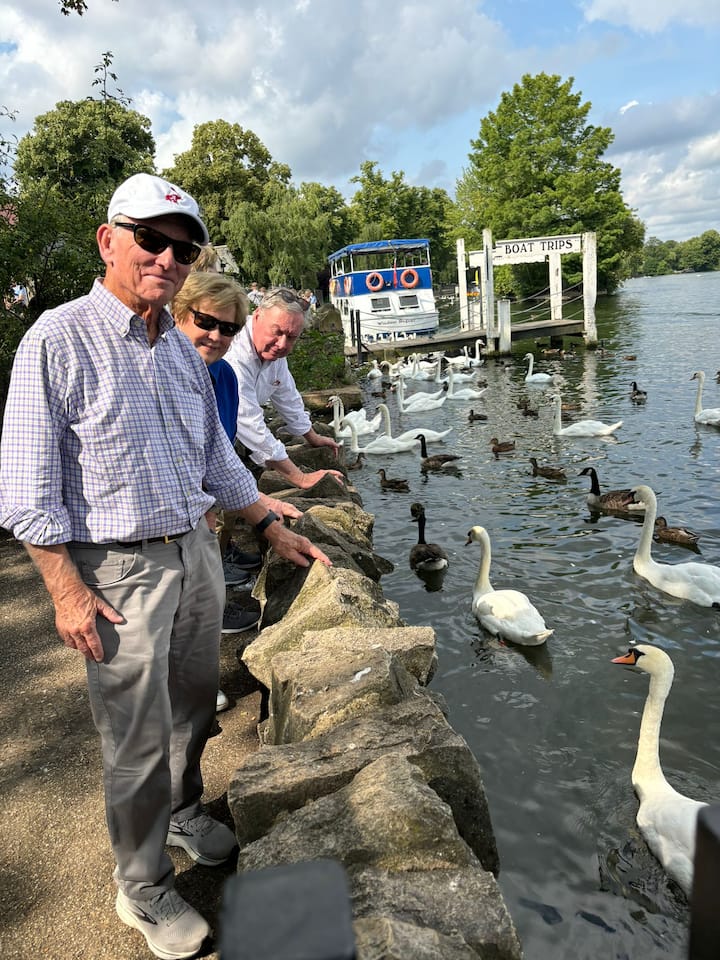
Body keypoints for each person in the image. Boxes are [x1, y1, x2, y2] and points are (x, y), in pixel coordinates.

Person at [0, 172, 330, 960]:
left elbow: (216, 454)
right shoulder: (58, 337)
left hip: (194, 551)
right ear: (109, 239)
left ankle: (182, 814)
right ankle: (141, 885)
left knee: (192, 707)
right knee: (135, 738)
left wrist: (265, 521)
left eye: (183, 247)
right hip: (115, 574)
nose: (168, 257)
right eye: (152, 238)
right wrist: (65, 590)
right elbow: (24, 484)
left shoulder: (178, 350)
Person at [171, 271, 263, 713]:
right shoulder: (157, 371)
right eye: (206, 322)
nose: (217, 335)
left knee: (200, 600)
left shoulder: (222, 376)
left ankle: (194, 696)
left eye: (229, 328)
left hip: (205, 504)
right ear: (178, 314)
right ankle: (178, 699)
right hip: (160, 520)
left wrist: (264, 513)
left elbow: (220, 449)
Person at [224, 286, 343, 489]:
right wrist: (301, 478)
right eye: (277, 332)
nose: (282, 344)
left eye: (291, 337)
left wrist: (311, 436)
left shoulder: (272, 351)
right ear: (258, 316)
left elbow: (286, 394)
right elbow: (247, 421)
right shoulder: (235, 353)